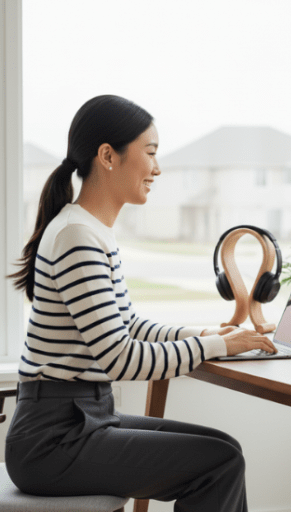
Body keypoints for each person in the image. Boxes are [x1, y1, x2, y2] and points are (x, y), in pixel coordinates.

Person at [4, 95, 276, 512]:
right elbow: (120, 358)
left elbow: (126, 323)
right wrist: (217, 347)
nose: (157, 168)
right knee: (219, 462)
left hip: (81, 419)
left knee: (222, 448)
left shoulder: (91, 231)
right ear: (108, 156)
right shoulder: (77, 236)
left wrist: (200, 333)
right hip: (53, 439)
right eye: (150, 152)